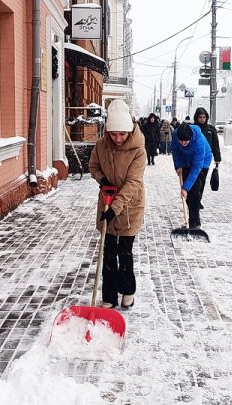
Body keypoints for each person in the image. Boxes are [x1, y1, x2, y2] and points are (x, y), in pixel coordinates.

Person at [88, 100, 146, 309]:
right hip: (107, 202)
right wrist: (102, 180)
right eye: (113, 134)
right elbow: (93, 165)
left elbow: (133, 183)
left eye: (122, 134)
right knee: (108, 252)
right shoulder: (102, 145)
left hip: (130, 205)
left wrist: (116, 208)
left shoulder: (138, 150)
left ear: (129, 130)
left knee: (125, 251)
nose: (118, 138)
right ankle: (109, 297)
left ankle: (128, 289)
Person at [171, 123, 213, 229]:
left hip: (202, 163)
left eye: (186, 141)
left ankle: (194, 223)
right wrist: (178, 165)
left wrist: (185, 188)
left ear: (190, 137)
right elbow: (175, 151)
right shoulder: (176, 135)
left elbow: (196, 167)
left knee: (194, 192)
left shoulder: (199, 142)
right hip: (186, 161)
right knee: (188, 195)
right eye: (181, 141)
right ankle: (191, 218)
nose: (184, 143)